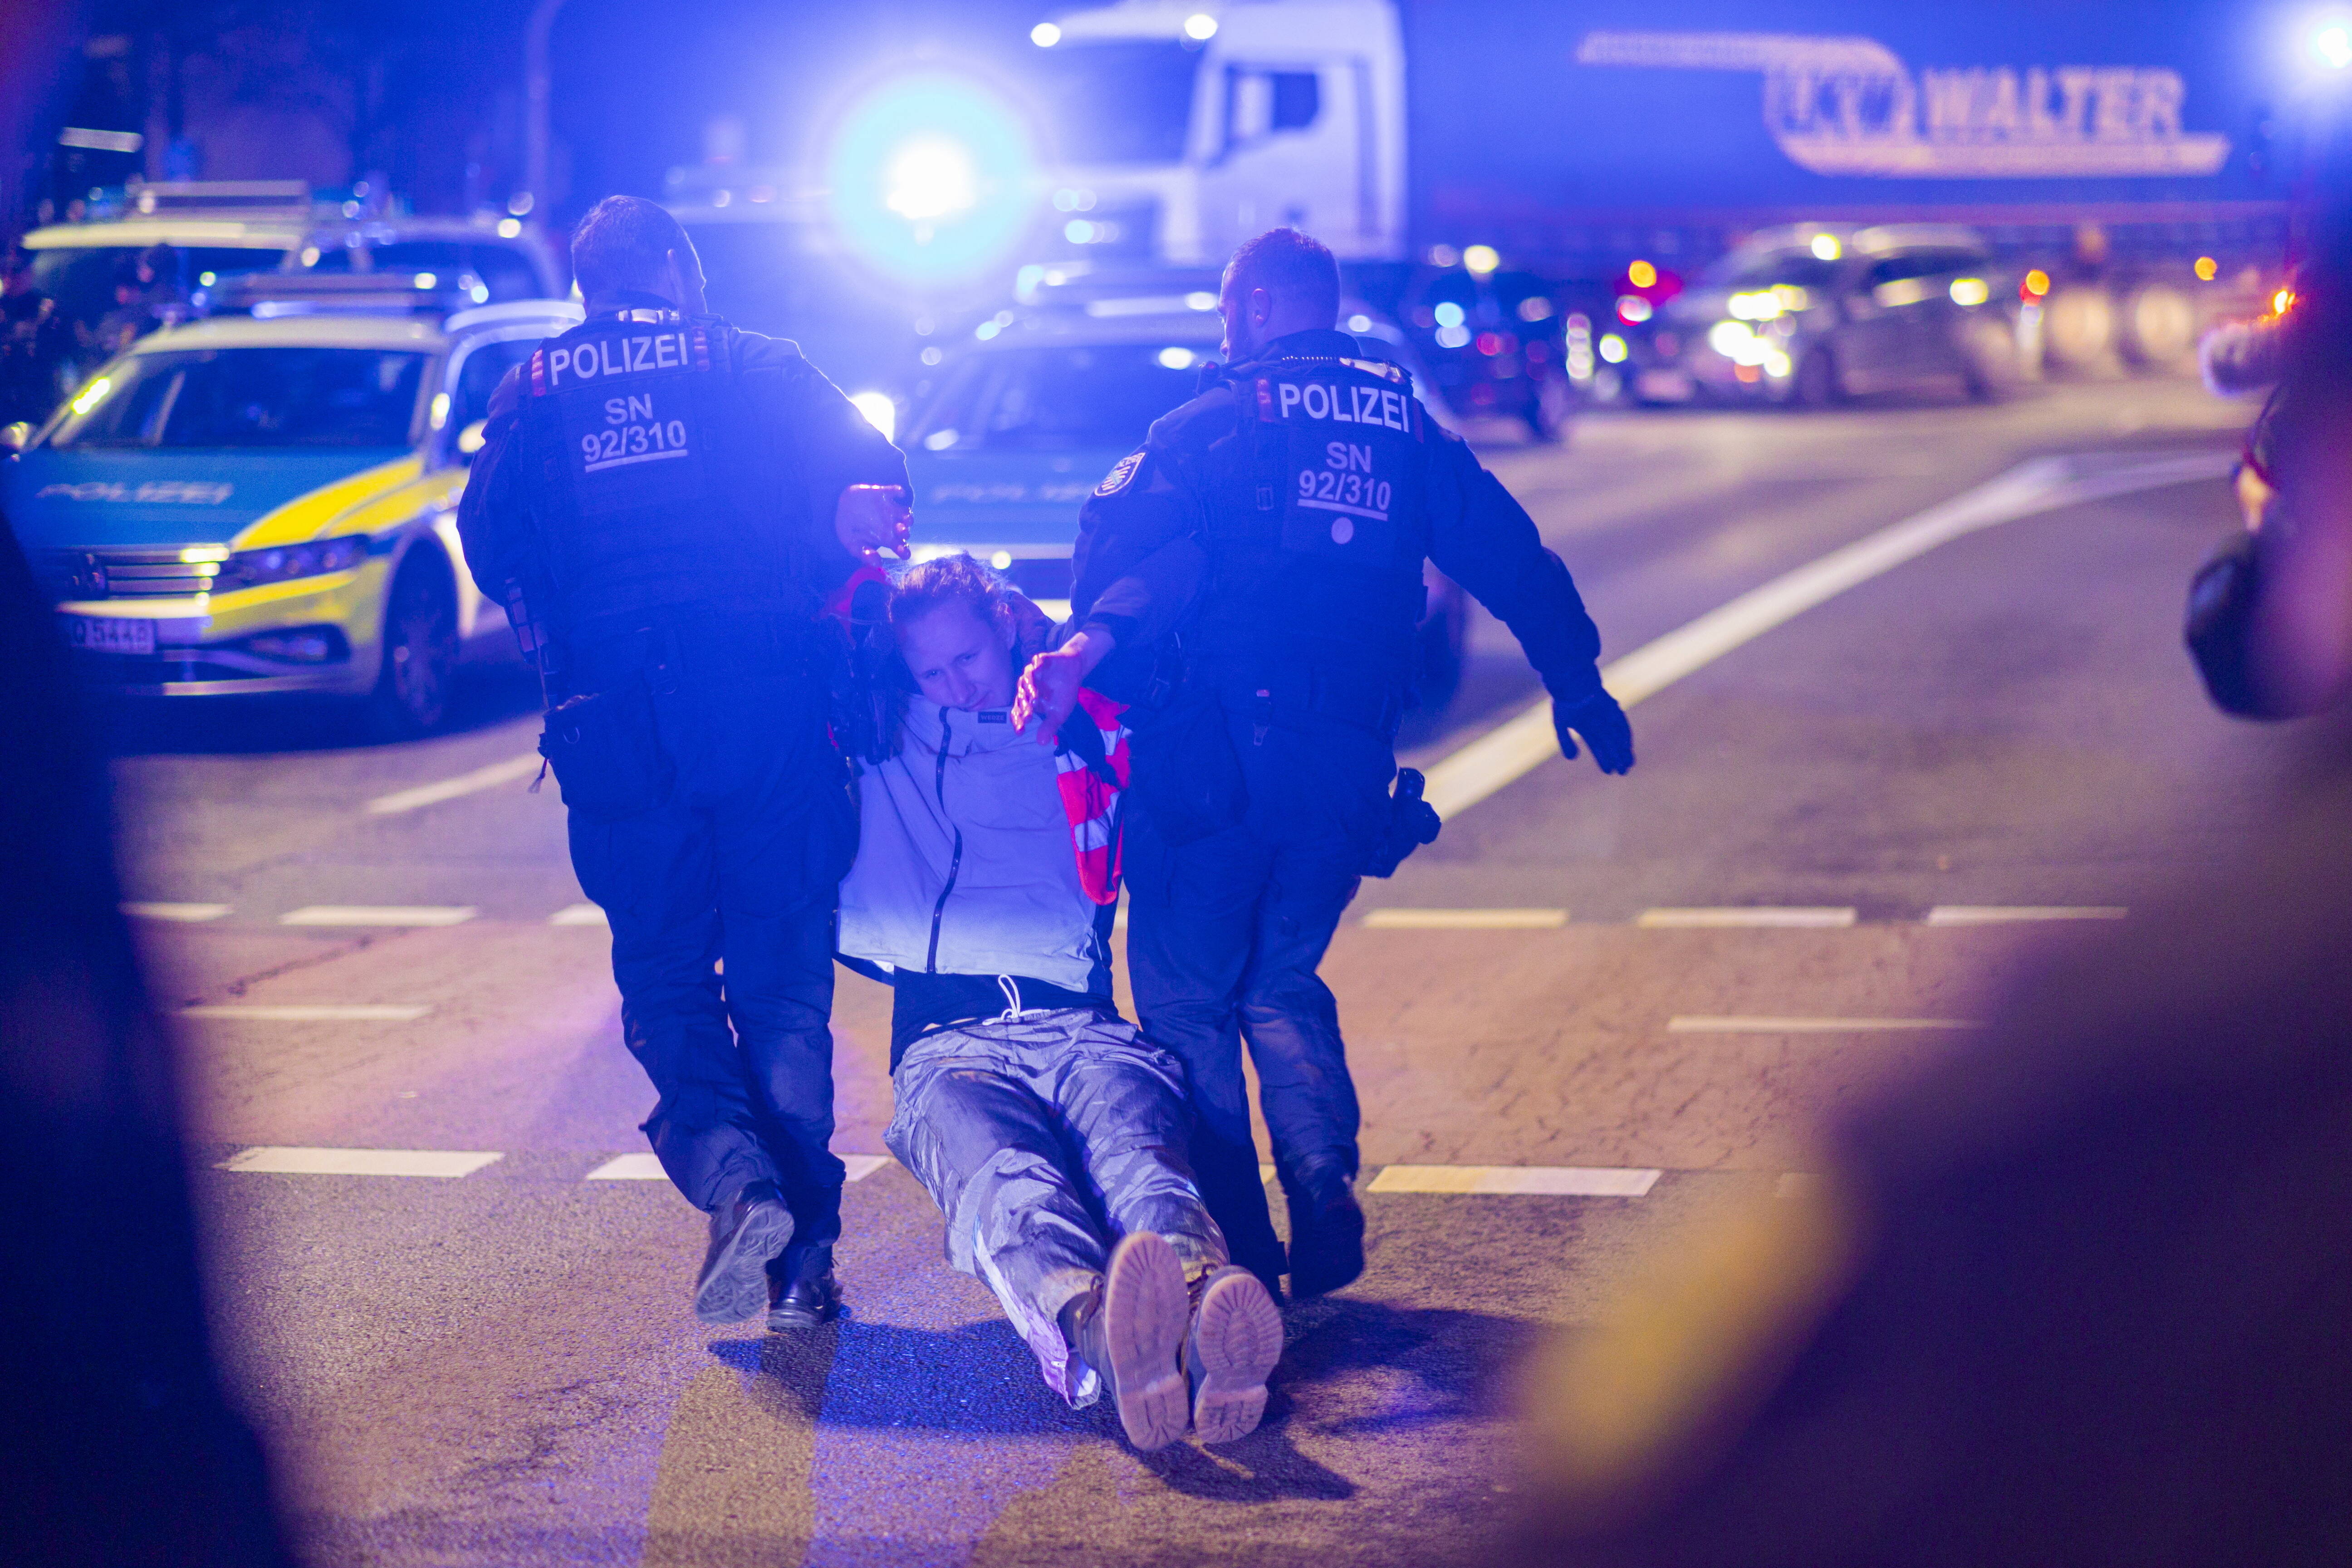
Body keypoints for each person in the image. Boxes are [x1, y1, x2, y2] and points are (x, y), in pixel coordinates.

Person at [1013, 227, 1633, 1300]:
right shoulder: (1404, 430)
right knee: (1281, 978)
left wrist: (1090, 657)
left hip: (1210, 764)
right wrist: (1574, 681)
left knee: (1189, 1002)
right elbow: (1508, 552)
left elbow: (1129, 561)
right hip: (1345, 767)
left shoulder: (1204, 428)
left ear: (1252, 308)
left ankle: (1241, 1238)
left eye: (1224, 309)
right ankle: (1319, 1172)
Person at [456, 195, 912, 1329]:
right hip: (764, 706)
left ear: (583, 285)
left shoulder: (537, 391)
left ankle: (732, 1177)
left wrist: (559, 634)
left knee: (664, 979)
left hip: (615, 722)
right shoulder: (752, 361)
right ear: (678, 270)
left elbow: (490, 541)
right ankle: (803, 1258)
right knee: (779, 985)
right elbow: (875, 479)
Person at [843, 554, 1284, 1450]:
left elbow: (1168, 585)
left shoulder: (1089, 727)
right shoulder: (880, 737)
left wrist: (1075, 661)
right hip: (945, 1042)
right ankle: (1096, 1327)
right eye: (930, 671)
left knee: (1140, 1156)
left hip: (1081, 1024)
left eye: (967, 657)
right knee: (1008, 1183)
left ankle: (1202, 1308)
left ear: (1007, 625)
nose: (954, 684)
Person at [0, 245, 69, 428]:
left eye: (15, 272)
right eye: (4, 272)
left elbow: (61, 354)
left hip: (36, 404)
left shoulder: (47, 311)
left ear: (29, 273)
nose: (9, 278)